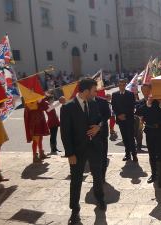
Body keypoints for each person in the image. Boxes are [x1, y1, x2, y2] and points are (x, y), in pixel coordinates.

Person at [60, 78, 106, 225]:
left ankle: (100, 199)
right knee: (76, 181)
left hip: (95, 148)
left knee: (98, 177)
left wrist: (98, 127)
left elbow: (100, 120)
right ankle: (75, 210)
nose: (96, 93)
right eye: (94, 90)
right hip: (77, 152)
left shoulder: (93, 103)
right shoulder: (67, 107)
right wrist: (70, 154)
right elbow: (65, 133)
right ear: (86, 91)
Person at [136, 84, 161, 188]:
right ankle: (154, 174)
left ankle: (160, 177)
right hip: (150, 131)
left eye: (147, 90)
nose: (146, 93)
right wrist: (148, 104)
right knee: (151, 154)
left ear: (151, 90)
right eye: (143, 91)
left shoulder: (159, 100)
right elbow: (138, 112)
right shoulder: (141, 102)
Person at [111, 79, 137, 162]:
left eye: (123, 84)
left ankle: (134, 154)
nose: (122, 85)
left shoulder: (130, 94)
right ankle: (127, 154)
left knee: (131, 137)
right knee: (124, 138)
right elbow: (114, 106)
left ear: (125, 85)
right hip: (120, 120)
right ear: (118, 85)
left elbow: (132, 106)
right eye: (120, 84)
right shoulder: (114, 94)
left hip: (129, 118)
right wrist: (119, 115)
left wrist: (125, 115)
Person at [91, 91, 111, 183]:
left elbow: (107, 115)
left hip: (102, 133)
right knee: (92, 157)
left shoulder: (103, 101)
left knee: (103, 156)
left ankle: (102, 176)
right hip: (90, 133)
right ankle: (95, 175)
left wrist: (99, 125)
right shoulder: (84, 102)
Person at [24, 99, 50, 163]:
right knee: (36, 140)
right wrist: (41, 101)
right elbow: (44, 107)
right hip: (34, 125)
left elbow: (45, 107)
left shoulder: (37, 101)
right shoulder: (28, 103)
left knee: (40, 138)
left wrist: (41, 101)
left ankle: (41, 153)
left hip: (38, 122)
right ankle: (35, 156)